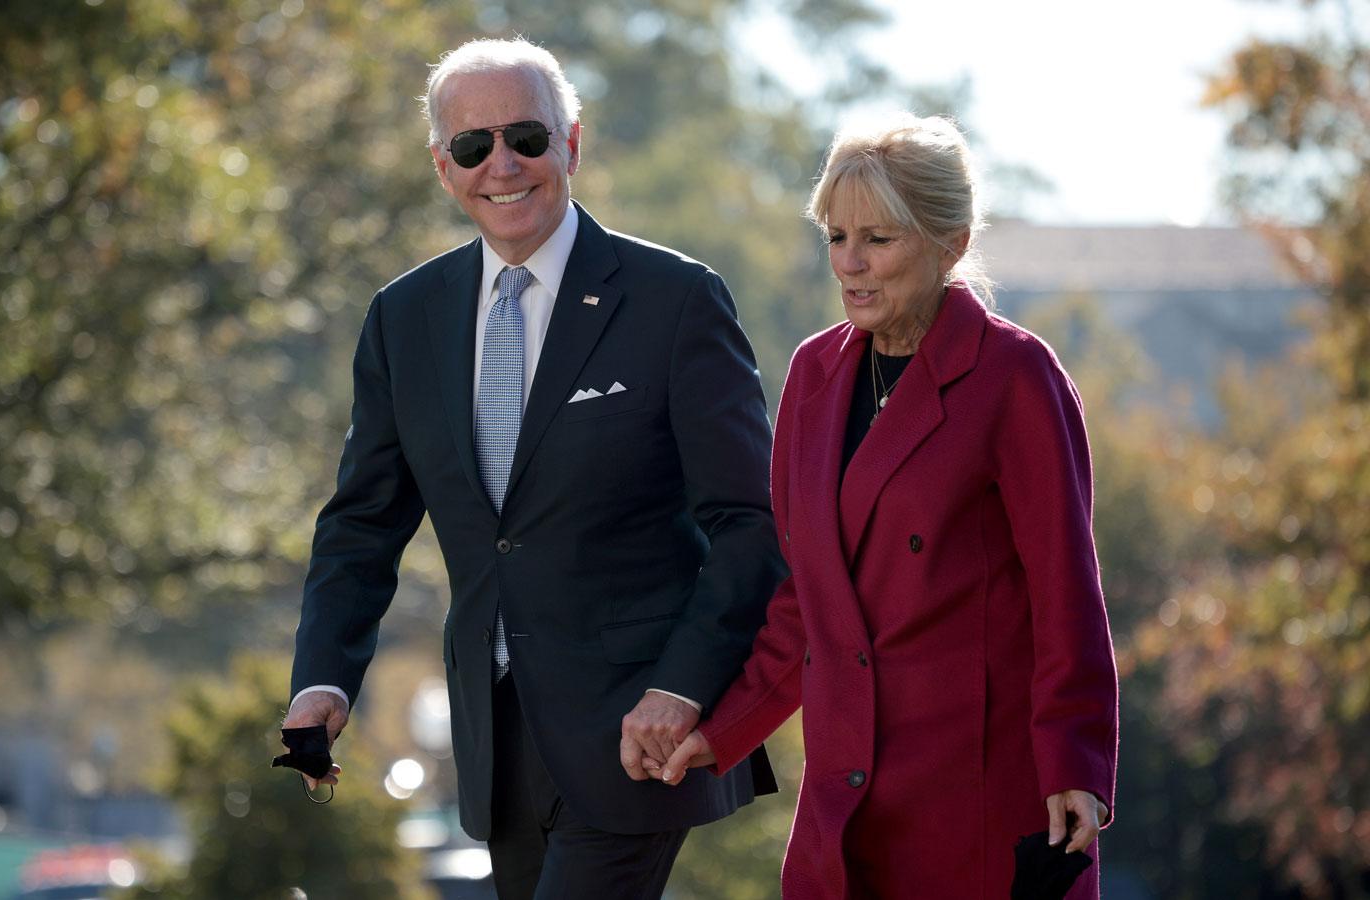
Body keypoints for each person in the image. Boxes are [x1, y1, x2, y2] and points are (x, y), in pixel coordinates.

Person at [282, 37, 785, 900]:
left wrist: (683, 686)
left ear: (572, 145)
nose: (502, 165)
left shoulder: (676, 300)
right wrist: (324, 677)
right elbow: (363, 523)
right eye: (474, 147)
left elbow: (751, 523)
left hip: (639, 731)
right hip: (494, 737)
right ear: (445, 168)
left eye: (526, 137)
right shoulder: (403, 318)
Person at [649, 114, 1119, 898]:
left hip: (976, 796)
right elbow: (805, 601)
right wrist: (720, 732)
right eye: (836, 238)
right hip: (845, 803)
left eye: (880, 239)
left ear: (952, 243)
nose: (852, 265)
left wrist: (1077, 764)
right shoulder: (813, 375)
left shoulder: (1016, 375)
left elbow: (1065, 592)